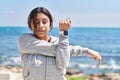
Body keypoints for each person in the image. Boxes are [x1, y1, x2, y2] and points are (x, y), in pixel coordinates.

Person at [17, 7, 102, 80]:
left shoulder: (60, 43)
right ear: (29, 24)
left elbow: (63, 63)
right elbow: (56, 49)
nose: (40, 25)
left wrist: (63, 39)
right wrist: (64, 35)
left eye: (44, 21)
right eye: (36, 22)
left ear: (50, 23)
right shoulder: (25, 41)